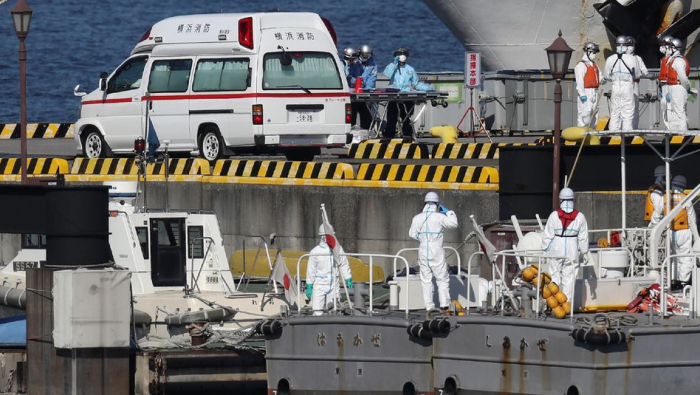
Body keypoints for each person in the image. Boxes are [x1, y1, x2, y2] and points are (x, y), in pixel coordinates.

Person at [409, 191, 459, 311]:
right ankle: (444, 304)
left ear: (425, 203)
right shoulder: (439, 217)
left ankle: (429, 306)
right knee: (442, 278)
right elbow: (454, 223)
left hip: (423, 248)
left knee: (426, 279)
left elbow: (411, 234)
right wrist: (448, 212)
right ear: (437, 204)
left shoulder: (417, 218)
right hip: (436, 248)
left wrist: (421, 239)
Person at [541, 188, 589, 301]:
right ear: (573, 200)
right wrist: (585, 252)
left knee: (554, 276)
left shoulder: (554, 215)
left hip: (557, 246)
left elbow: (547, 235)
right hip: (572, 248)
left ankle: (554, 303)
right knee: (570, 278)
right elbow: (583, 237)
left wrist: (544, 250)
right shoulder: (580, 216)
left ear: (560, 200)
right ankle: (567, 305)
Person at [383, 47, 434, 140]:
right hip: (394, 96)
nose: (402, 56)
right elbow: (387, 74)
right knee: (391, 117)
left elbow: (416, 83)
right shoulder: (392, 67)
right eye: (399, 54)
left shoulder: (410, 69)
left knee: (406, 117)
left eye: (404, 54)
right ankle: (388, 136)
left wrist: (427, 88)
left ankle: (407, 136)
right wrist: (394, 64)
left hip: (407, 96)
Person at [305, 224, 353, 316]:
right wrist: (309, 286)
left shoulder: (337, 249)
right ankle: (317, 326)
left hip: (334, 283)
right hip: (319, 284)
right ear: (322, 236)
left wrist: (348, 278)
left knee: (334, 309)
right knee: (317, 310)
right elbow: (311, 270)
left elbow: (343, 263)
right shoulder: (315, 252)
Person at [604, 36, 642, 131]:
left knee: (615, 111)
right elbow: (637, 75)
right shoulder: (632, 59)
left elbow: (606, 76)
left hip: (615, 86)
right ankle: (627, 133)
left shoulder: (610, 59)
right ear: (626, 46)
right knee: (628, 111)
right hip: (627, 86)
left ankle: (613, 132)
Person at [667, 175, 697, 286]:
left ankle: (673, 280)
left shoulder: (666, 198)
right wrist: (696, 236)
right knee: (686, 257)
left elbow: (658, 215)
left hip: (669, 231)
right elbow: (692, 218)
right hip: (684, 231)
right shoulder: (686, 198)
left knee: (673, 257)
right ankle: (683, 281)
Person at [666, 38, 693, 131]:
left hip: (678, 87)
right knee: (674, 111)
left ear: (673, 48)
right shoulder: (672, 60)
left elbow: (683, 77)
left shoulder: (678, 61)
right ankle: (675, 132)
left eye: (669, 47)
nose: (667, 49)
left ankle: (683, 133)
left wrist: (687, 88)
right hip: (673, 87)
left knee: (680, 111)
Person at [574, 42, 601, 127]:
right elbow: (579, 81)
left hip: (594, 91)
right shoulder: (581, 66)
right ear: (587, 52)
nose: (595, 55)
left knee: (594, 111)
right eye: (593, 53)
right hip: (586, 91)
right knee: (585, 112)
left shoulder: (594, 65)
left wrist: (605, 79)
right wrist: (582, 94)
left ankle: (592, 131)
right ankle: (582, 131)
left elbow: (600, 77)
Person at [351, 44, 377, 129]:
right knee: (352, 114)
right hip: (354, 93)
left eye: (368, 55)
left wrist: (366, 89)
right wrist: (356, 83)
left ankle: (366, 132)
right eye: (364, 55)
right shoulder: (353, 62)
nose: (366, 57)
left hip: (366, 93)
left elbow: (372, 78)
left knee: (366, 116)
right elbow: (349, 75)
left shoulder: (372, 63)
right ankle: (351, 132)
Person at [625, 37, 648, 129]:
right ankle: (622, 128)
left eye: (631, 45)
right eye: (628, 45)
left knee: (634, 106)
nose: (630, 48)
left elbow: (645, 71)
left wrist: (639, 74)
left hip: (635, 84)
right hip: (624, 84)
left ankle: (634, 127)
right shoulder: (619, 58)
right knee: (622, 107)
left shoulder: (637, 58)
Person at [658, 35, 674, 129]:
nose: (661, 48)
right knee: (665, 106)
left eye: (663, 45)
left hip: (670, 85)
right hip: (664, 85)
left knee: (670, 106)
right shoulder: (664, 59)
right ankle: (668, 127)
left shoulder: (673, 59)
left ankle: (672, 127)